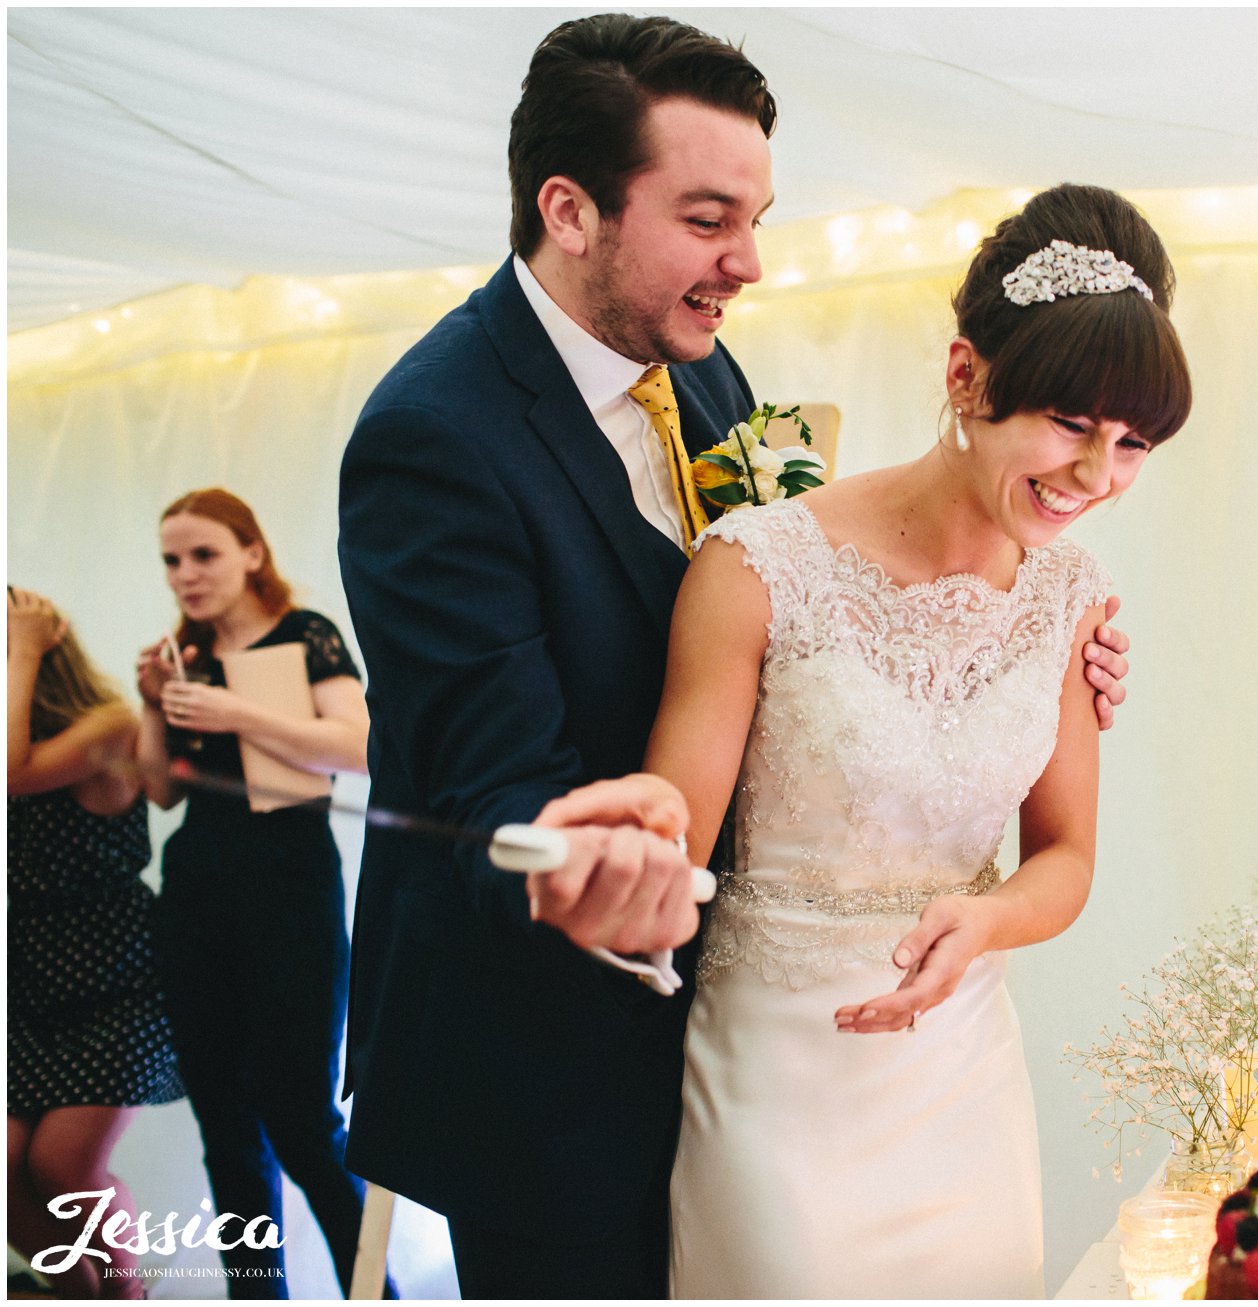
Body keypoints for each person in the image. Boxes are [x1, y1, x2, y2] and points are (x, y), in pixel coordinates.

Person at [336, 14, 1132, 1298]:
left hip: (757, 1042)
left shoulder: (702, 372)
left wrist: (991, 667)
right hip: (551, 1069)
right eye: (709, 219)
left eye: (756, 217)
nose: (748, 263)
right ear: (571, 208)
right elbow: (489, 786)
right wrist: (600, 862)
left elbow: (793, 613)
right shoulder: (432, 437)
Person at [547, 183, 1192, 1296]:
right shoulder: (758, 564)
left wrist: (988, 915)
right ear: (964, 376)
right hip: (776, 1088)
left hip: (961, 1083)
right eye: (1072, 423)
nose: (1097, 476)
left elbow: (1066, 858)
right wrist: (629, 838)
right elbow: (677, 819)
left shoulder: (1074, 597)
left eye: (1133, 441)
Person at [132, 489, 376, 1298]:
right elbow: (160, 793)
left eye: (203, 554)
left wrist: (236, 710)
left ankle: (377, 1292)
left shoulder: (305, 636)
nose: (185, 575)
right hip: (197, 891)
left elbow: (358, 746)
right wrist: (150, 702)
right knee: (226, 1133)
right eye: (172, 559)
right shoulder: (185, 657)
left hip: (291, 890)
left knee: (305, 1126)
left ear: (252, 553)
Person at [8, 588, 183, 1299]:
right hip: (29, 985)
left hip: (118, 979)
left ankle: (124, 1290)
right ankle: (85, 1293)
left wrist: (22, 645)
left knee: (61, 1166)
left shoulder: (107, 725)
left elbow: (11, 774)